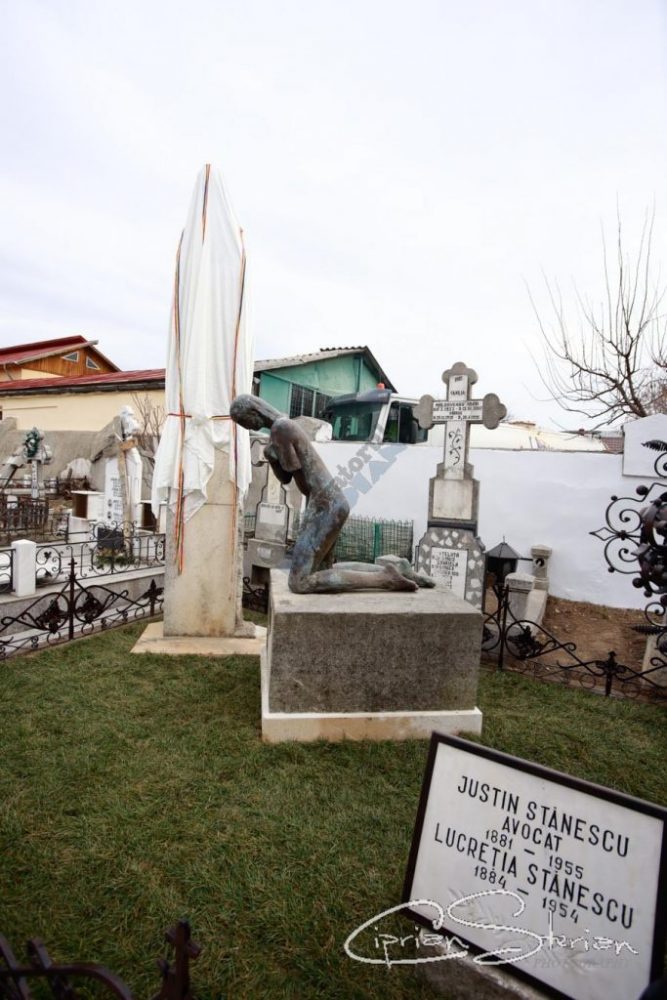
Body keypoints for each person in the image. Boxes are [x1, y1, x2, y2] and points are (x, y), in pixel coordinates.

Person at [230, 395, 433, 594]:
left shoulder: (280, 429)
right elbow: (287, 477)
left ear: (253, 412)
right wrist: (273, 457)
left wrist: (273, 458)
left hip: (323, 504)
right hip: (329, 501)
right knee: (323, 571)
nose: (246, 427)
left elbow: (291, 476)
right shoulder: (284, 425)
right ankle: (398, 570)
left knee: (299, 582)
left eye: (242, 421)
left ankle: (385, 578)